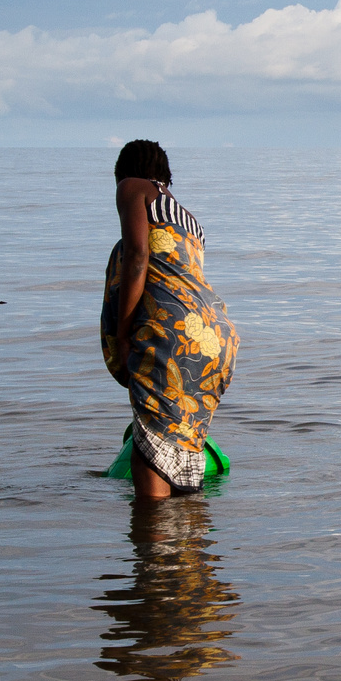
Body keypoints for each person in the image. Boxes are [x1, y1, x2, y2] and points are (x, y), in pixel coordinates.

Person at [100, 140, 238, 499]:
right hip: (215, 338)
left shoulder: (132, 187)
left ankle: (151, 550)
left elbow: (136, 257)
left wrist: (124, 332)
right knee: (183, 465)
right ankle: (191, 549)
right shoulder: (190, 221)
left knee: (150, 493)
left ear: (125, 174)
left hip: (170, 335)